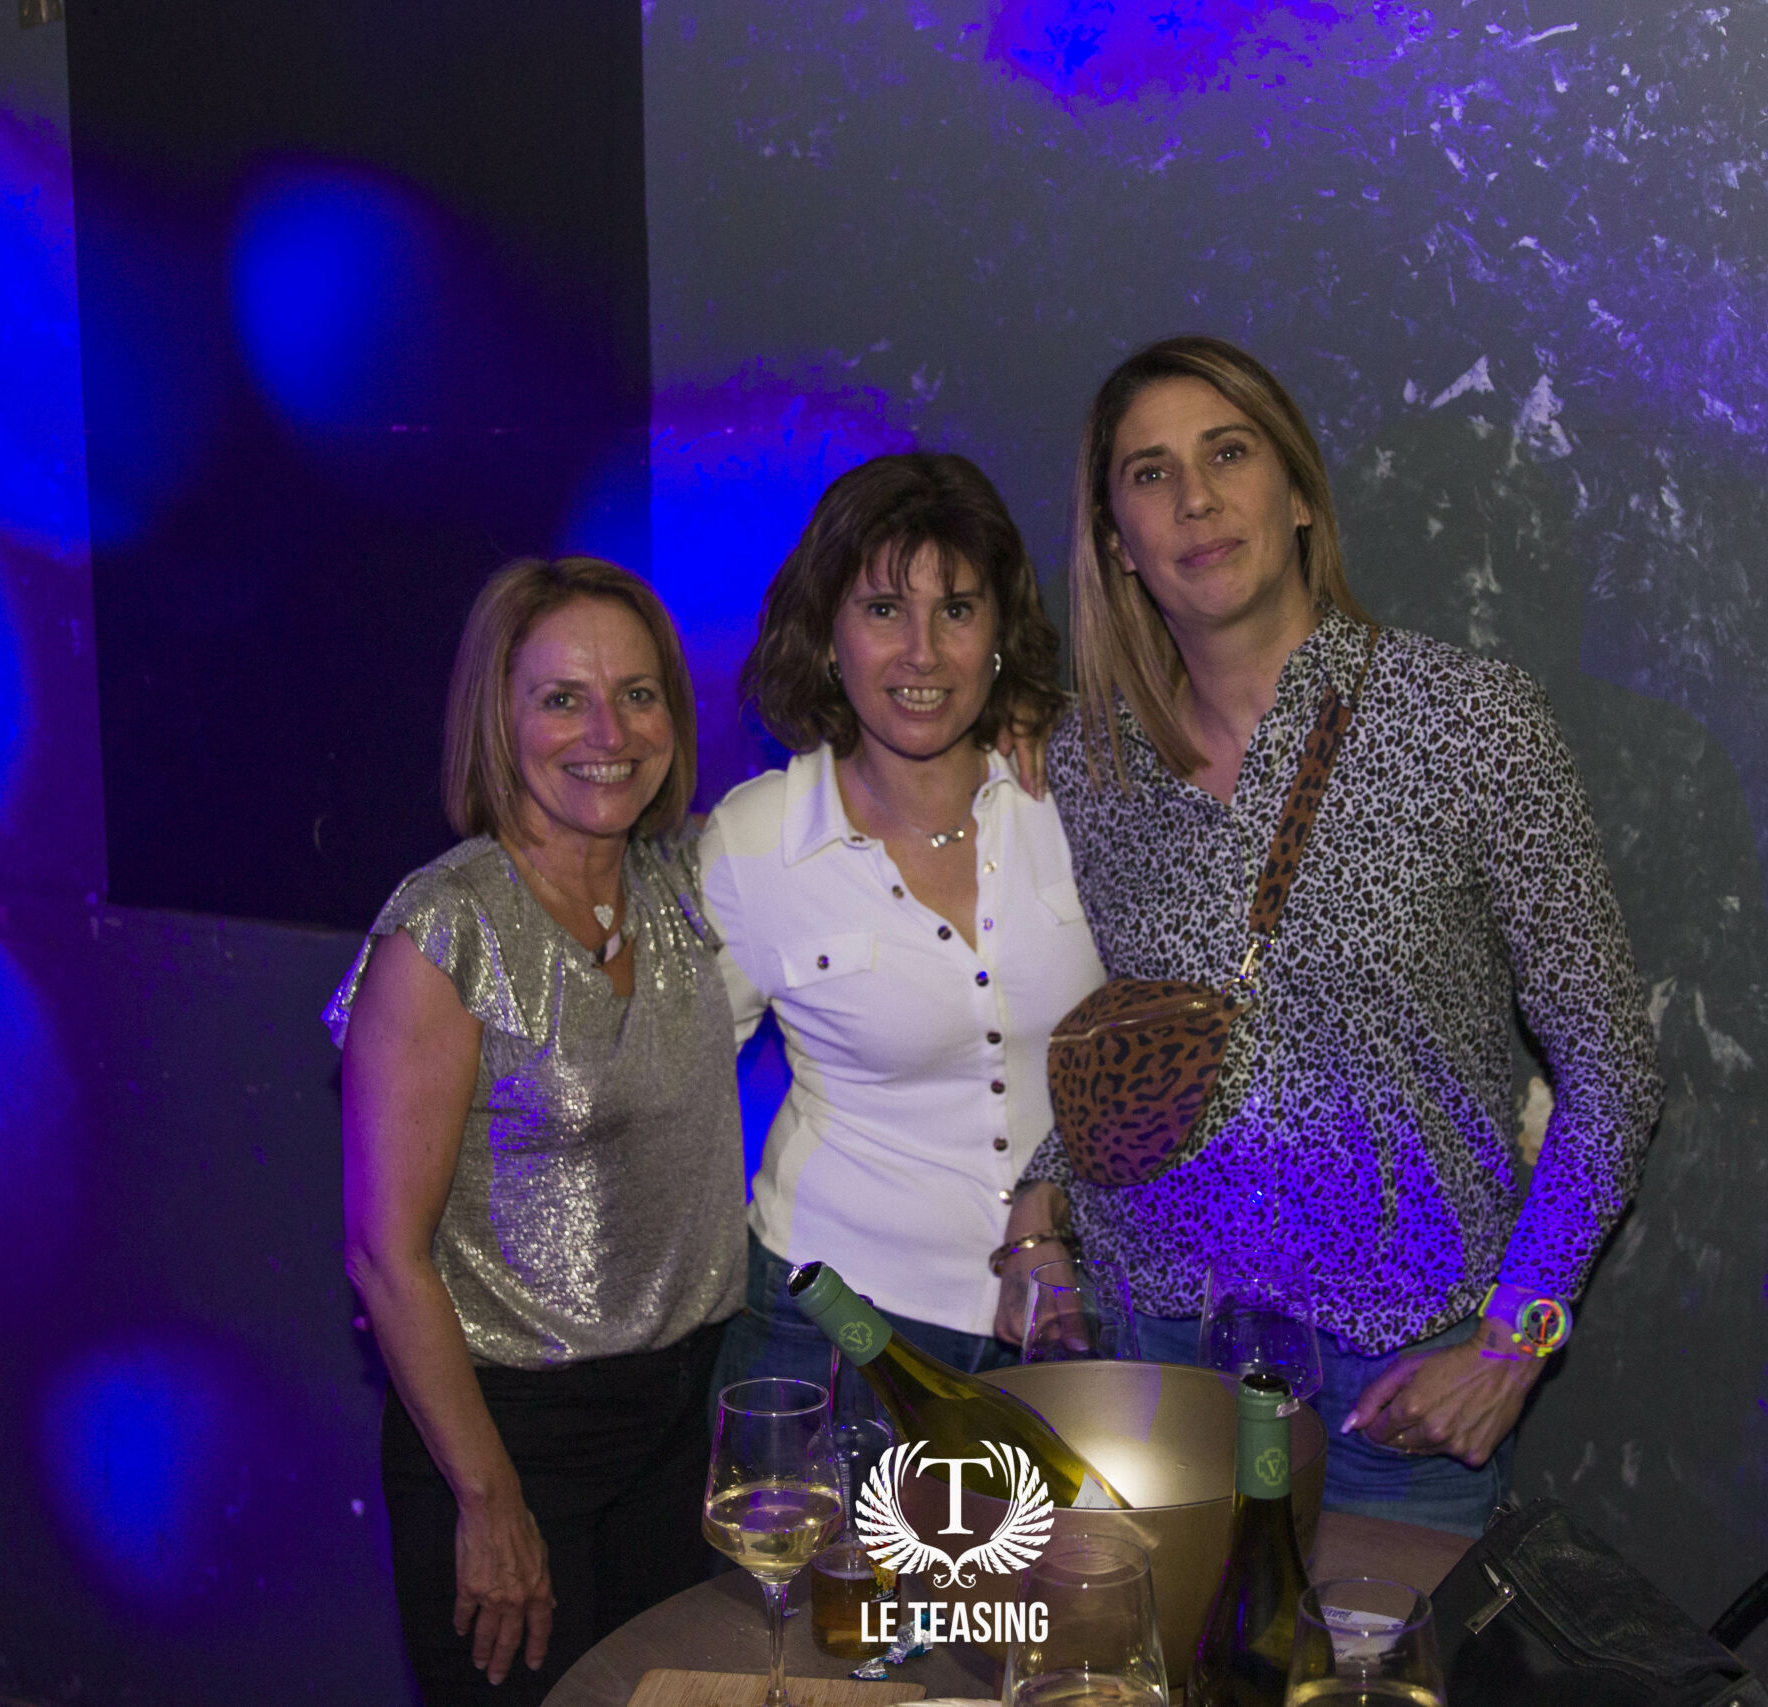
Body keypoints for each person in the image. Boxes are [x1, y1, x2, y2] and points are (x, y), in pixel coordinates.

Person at [1001, 336, 1664, 1536]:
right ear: (1117, 542)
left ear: (1299, 494)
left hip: (1391, 1391)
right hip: (1153, 1353)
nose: (1194, 498)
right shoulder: (1092, 766)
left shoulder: (1470, 724)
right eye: (1150, 474)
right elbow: (1169, 1056)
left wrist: (1518, 1340)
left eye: (1228, 454)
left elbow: (1612, 1070)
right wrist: (1038, 1215)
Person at [330, 557, 746, 1702]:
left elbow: (858, 804)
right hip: (511, 1441)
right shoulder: (443, 931)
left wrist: (1001, 745)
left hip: (682, 1432)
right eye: (563, 698)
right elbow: (383, 1255)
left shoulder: (687, 885)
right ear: (497, 719)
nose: (608, 732)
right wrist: (490, 1502)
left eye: (638, 694)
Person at [702, 452, 1104, 1390]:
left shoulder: (1079, 792)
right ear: (826, 634)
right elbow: (672, 1092)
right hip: (831, 1330)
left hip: (1069, 1315)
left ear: (999, 632)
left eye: (956, 610)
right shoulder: (754, 842)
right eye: (884, 609)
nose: (922, 652)